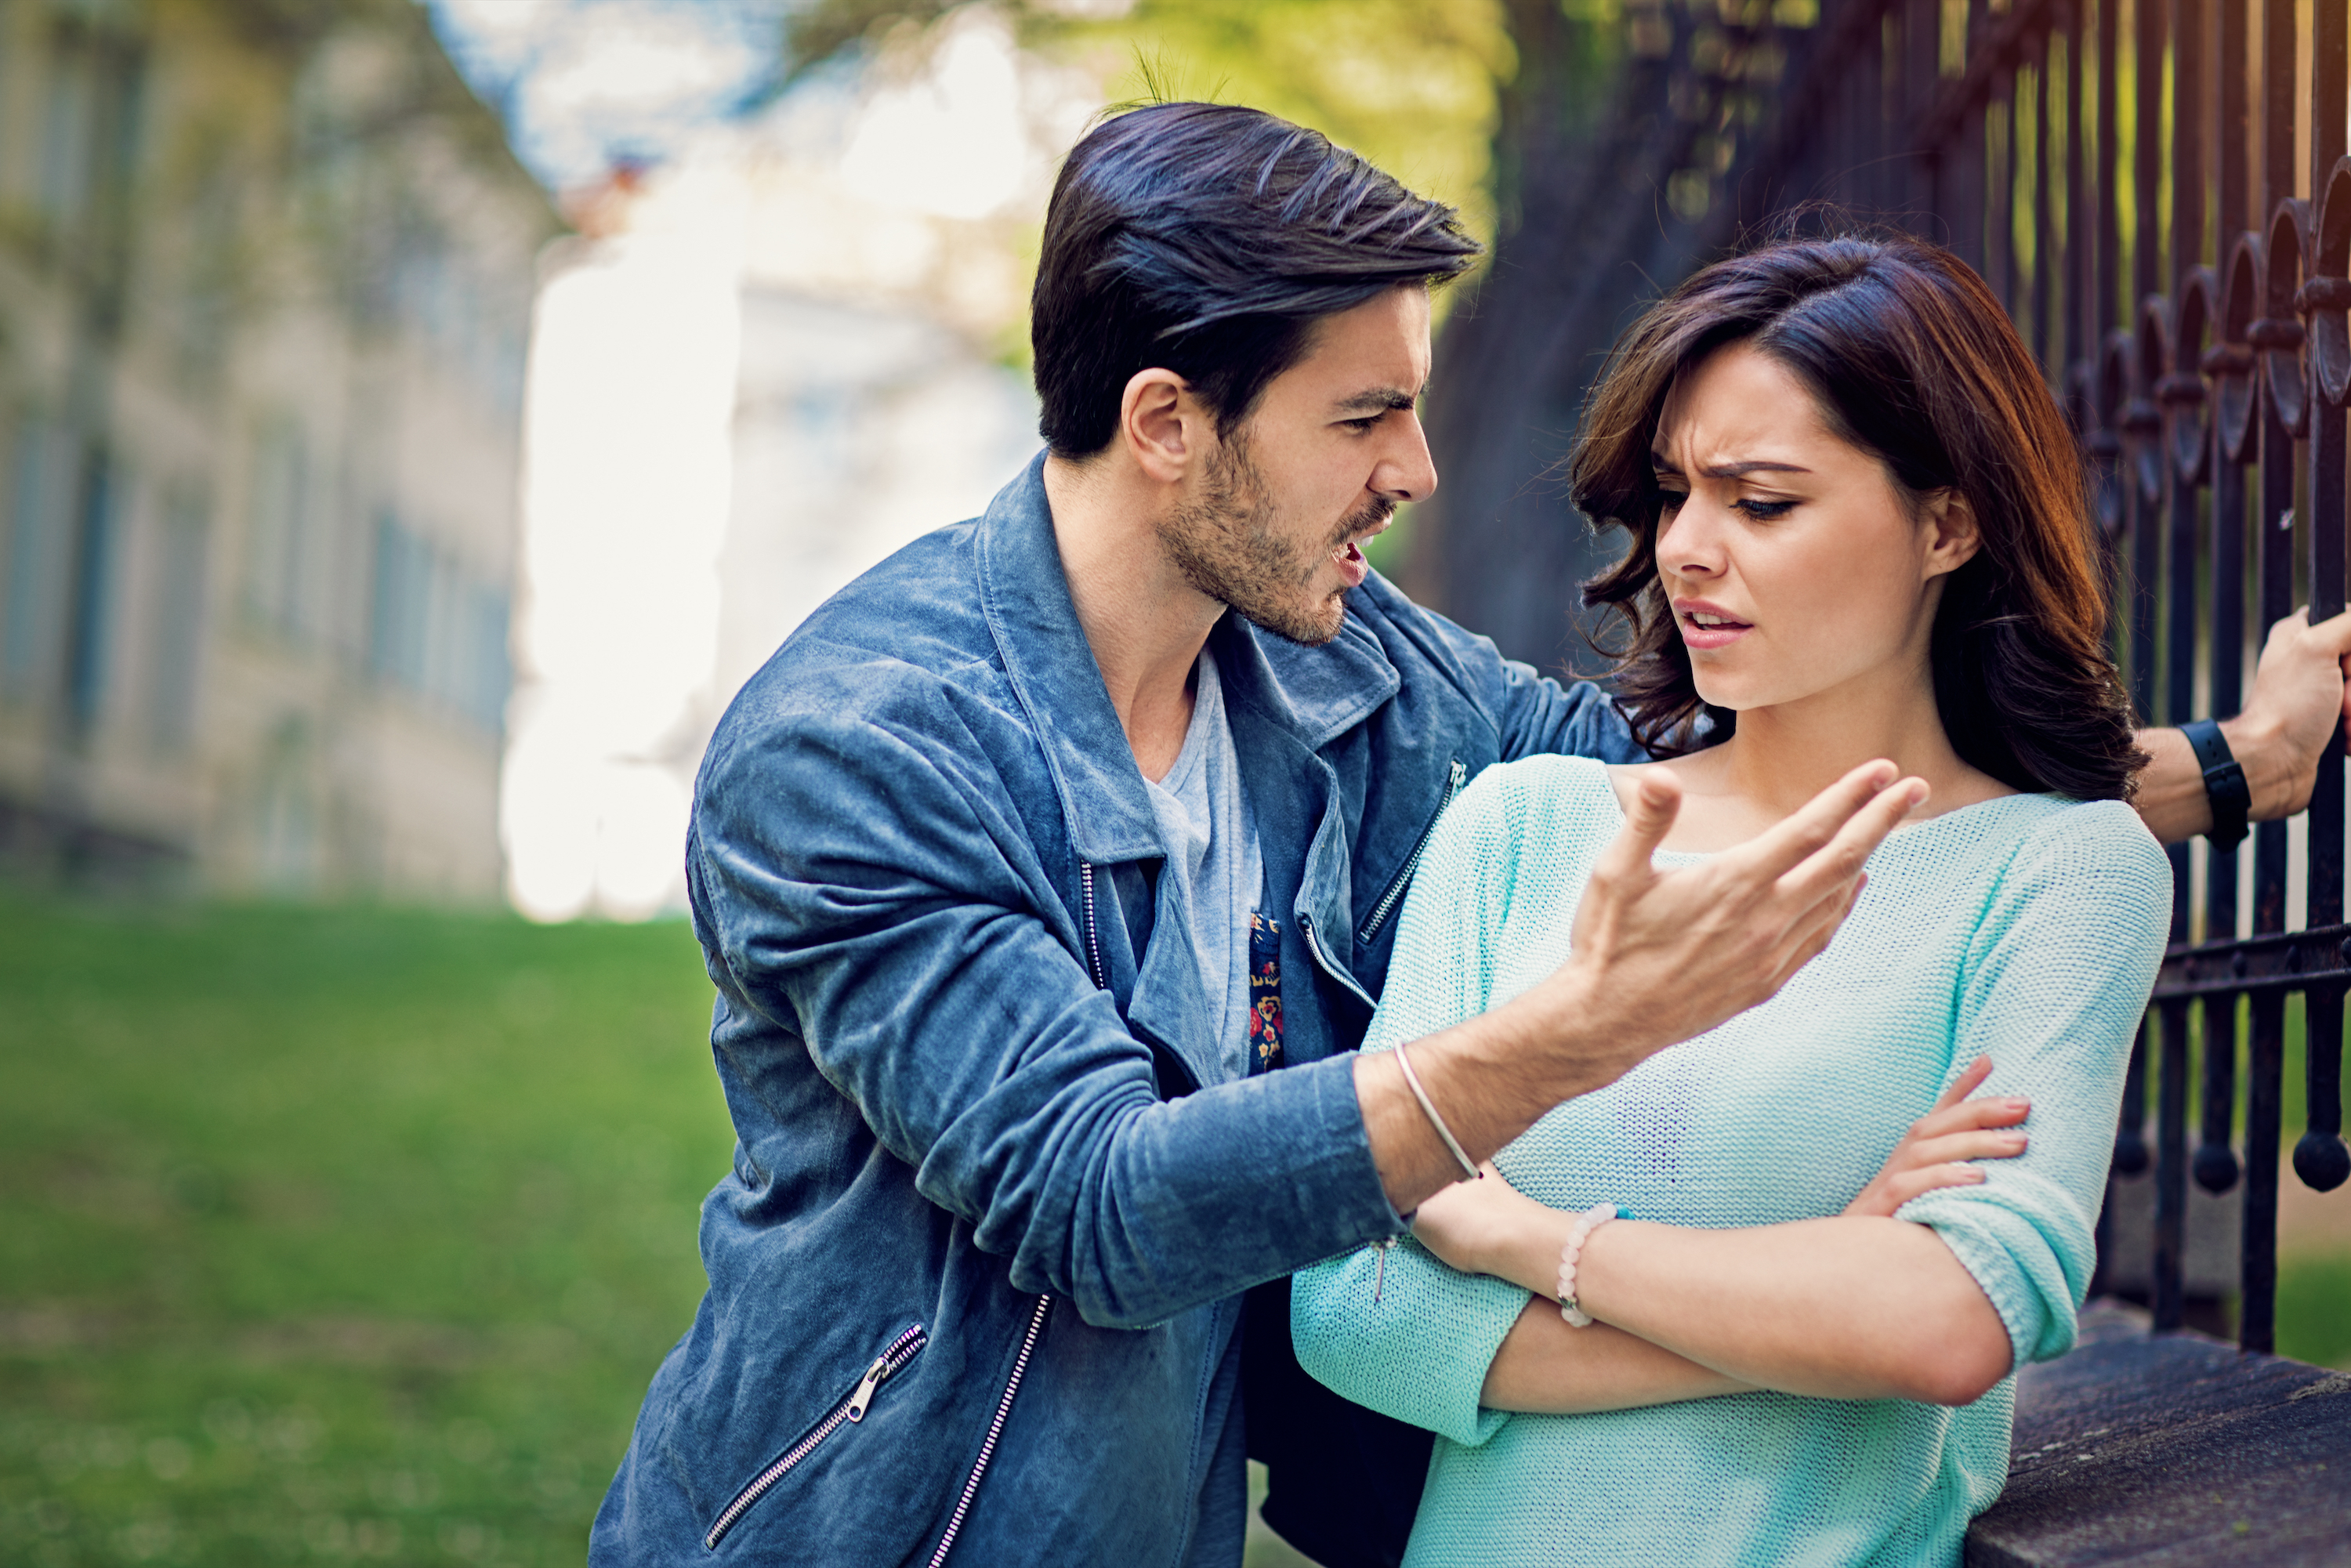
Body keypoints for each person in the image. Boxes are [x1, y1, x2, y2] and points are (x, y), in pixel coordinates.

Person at [589, 103, 2351, 1568]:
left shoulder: (1342, 672)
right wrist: (1566, 1068)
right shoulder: (863, 745)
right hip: (868, 1531)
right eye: (1364, 415)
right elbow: (1103, 1202)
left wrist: (2220, 768)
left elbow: (1770, 766)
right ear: (1167, 425)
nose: (1421, 465)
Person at [1290, 234, 2183, 1566]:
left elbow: (1945, 1320)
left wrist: (1520, 1235)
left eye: (1762, 503)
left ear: (1947, 523)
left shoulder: (2059, 871)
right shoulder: (1523, 827)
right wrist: (1818, 1273)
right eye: (1671, 494)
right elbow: (1351, 1304)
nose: (1688, 551)